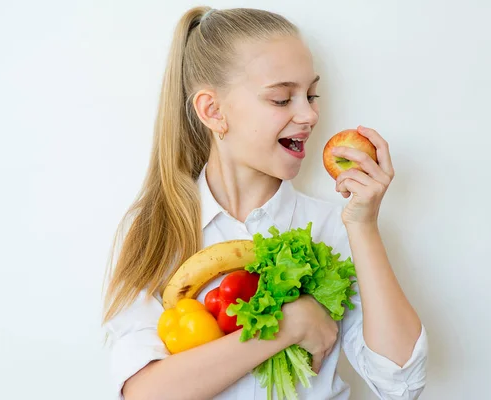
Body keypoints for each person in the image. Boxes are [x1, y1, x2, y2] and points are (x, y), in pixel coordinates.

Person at [101, 6, 428, 400]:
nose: (308, 114)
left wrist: (363, 225)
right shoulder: (156, 231)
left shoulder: (334, 227)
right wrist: (285, 326)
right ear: (213, 111)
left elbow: (402, 382)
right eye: (281, 99)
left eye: (311, 95)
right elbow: (145, 393)